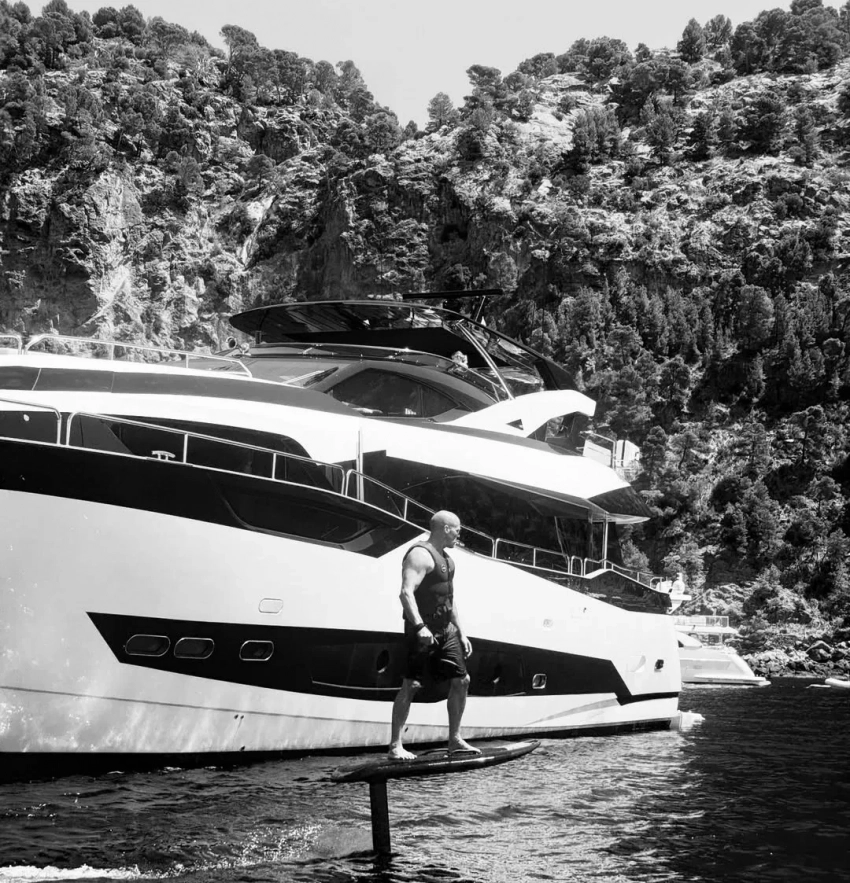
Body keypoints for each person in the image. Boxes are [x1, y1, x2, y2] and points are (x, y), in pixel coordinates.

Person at [388, 510, 480, 759]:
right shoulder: (420, 555)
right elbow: (406, 593)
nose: (459, 534)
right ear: (446, 529)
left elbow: (449, 599)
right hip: (421, 630)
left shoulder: (448, 560)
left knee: (462, 680)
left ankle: (455, 740)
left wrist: (461, 633)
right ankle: (396, 746)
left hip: (446, 630)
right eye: (457, 529)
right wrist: (420, 627)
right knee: (411, 685)